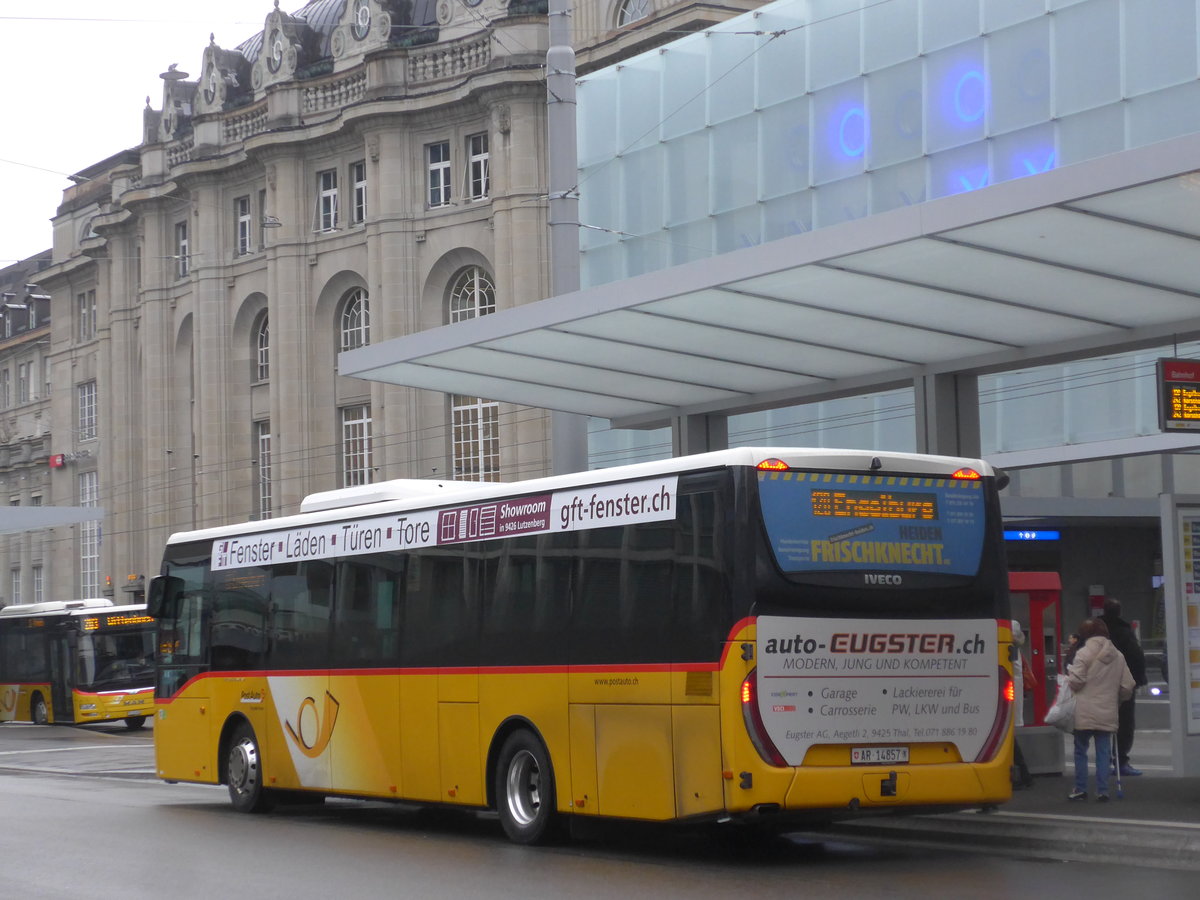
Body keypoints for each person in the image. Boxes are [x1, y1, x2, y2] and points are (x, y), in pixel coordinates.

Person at [1066, 618, 1135, 801]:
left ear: (1085, 634)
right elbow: (1128, 685)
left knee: (1081, 750)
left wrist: (1068, 680)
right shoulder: (1118, 656)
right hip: (1107, 709)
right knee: (1103, 751)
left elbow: (1076, 681)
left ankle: (1080, 789)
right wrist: (1117, 699)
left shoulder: (1083, 653)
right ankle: (1103, 790)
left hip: (1084, 709)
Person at [1100, 598, 1147, 776]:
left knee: (1101, 723)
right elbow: (1136, 657)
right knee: (1124, 723)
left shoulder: (1095, 632)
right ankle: (1121, 761)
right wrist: (1138, 680)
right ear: (1120, 612)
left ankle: (1102, 760)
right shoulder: (1124, 632)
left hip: (1099, 685)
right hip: (1122, 684)